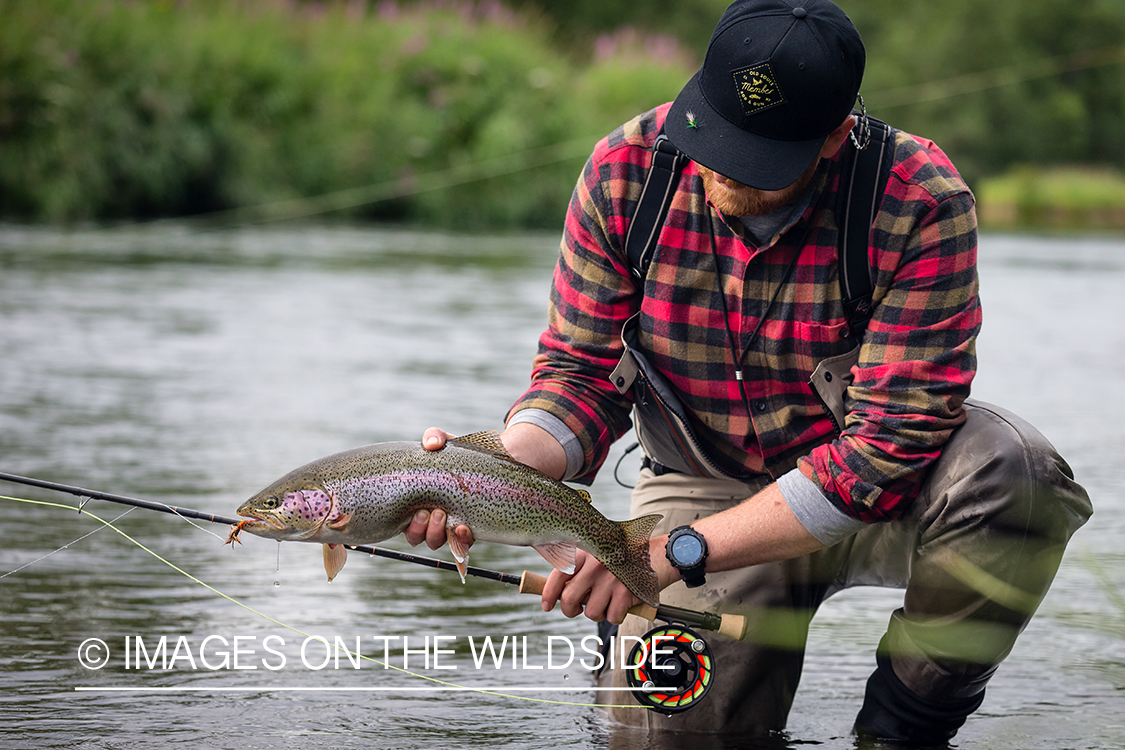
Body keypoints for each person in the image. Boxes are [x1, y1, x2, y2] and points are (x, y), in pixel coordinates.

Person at [404, 0, 1092, 743]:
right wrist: (492, 471)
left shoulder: (917, 199)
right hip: (696, 479)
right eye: (715, 139)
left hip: (876, 491)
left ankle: (899, 730)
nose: (724, 169)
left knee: (1015, 475)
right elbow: (579, 376)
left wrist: (673, 554)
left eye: (758, 158)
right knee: (669, 727)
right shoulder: (625, 172)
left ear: (835, 135)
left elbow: (889, 447)